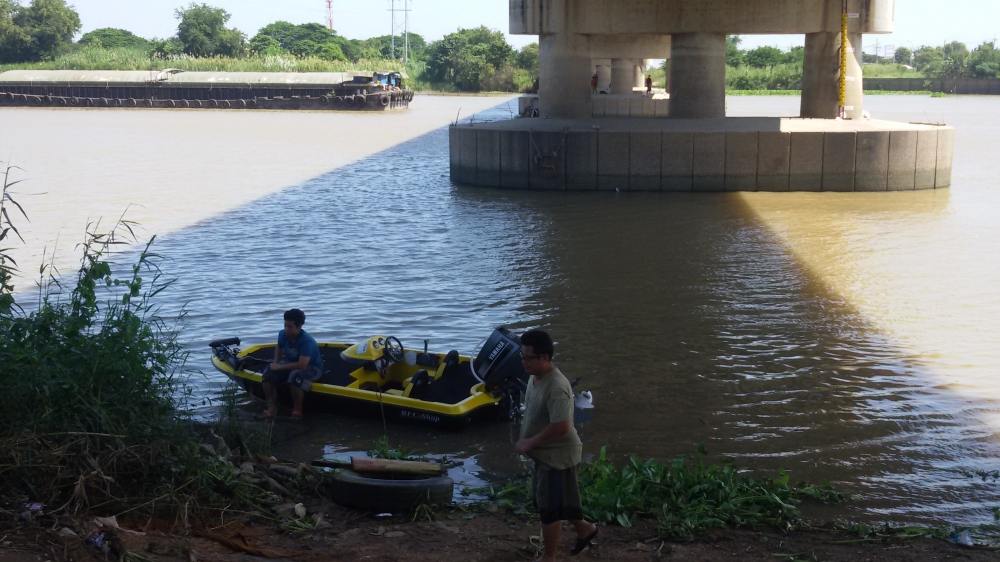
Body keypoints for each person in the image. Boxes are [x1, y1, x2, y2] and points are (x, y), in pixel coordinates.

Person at [515, 329, 598, 561]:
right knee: (561, 501)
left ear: (544, 357)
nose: (523, 362)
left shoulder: (557, 386)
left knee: (549, 511)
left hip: (557, 457)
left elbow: (562, 426)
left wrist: (530, 441)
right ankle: (586, 529)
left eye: (528, 357)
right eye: (521, 356)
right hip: (545, 455)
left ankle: (549, 558)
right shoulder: (535, 376)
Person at [262, 309, 324, 419]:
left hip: (313, 368)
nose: (286, 329)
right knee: (268, 373)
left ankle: (297, 410)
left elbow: (302, 365)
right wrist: (276, 362)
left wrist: (280, 366)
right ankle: (271, 408)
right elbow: (279, 347)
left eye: (290, 327)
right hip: (290, 364)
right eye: (285, 325)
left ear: (299, 326)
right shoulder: (282, 334)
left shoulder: (307, 341)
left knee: (295, 376)